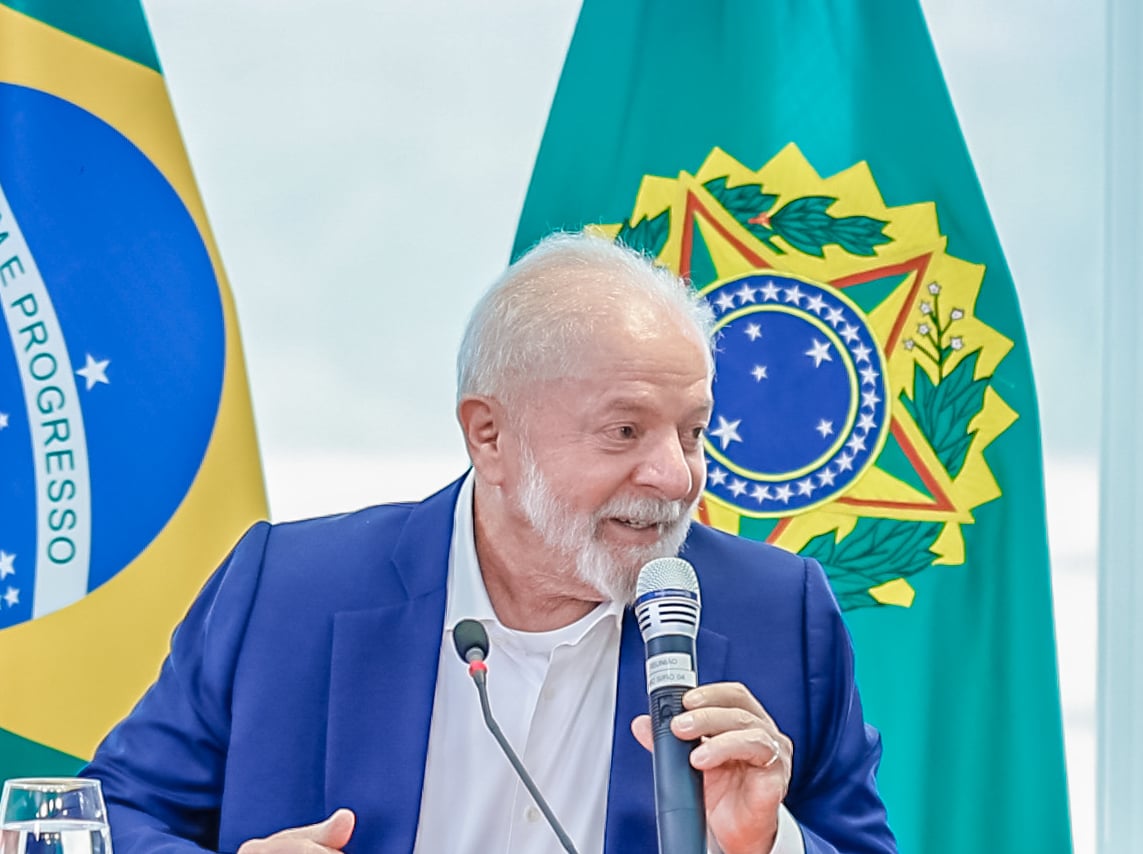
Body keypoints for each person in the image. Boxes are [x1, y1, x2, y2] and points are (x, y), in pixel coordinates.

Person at [82, 232, 896, 853]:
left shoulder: (780, 614)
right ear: (489, 437)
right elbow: (109, 817)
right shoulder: (287, 590)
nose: (675, 478)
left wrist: (769, 843)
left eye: (691, 432)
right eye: (623, 431)